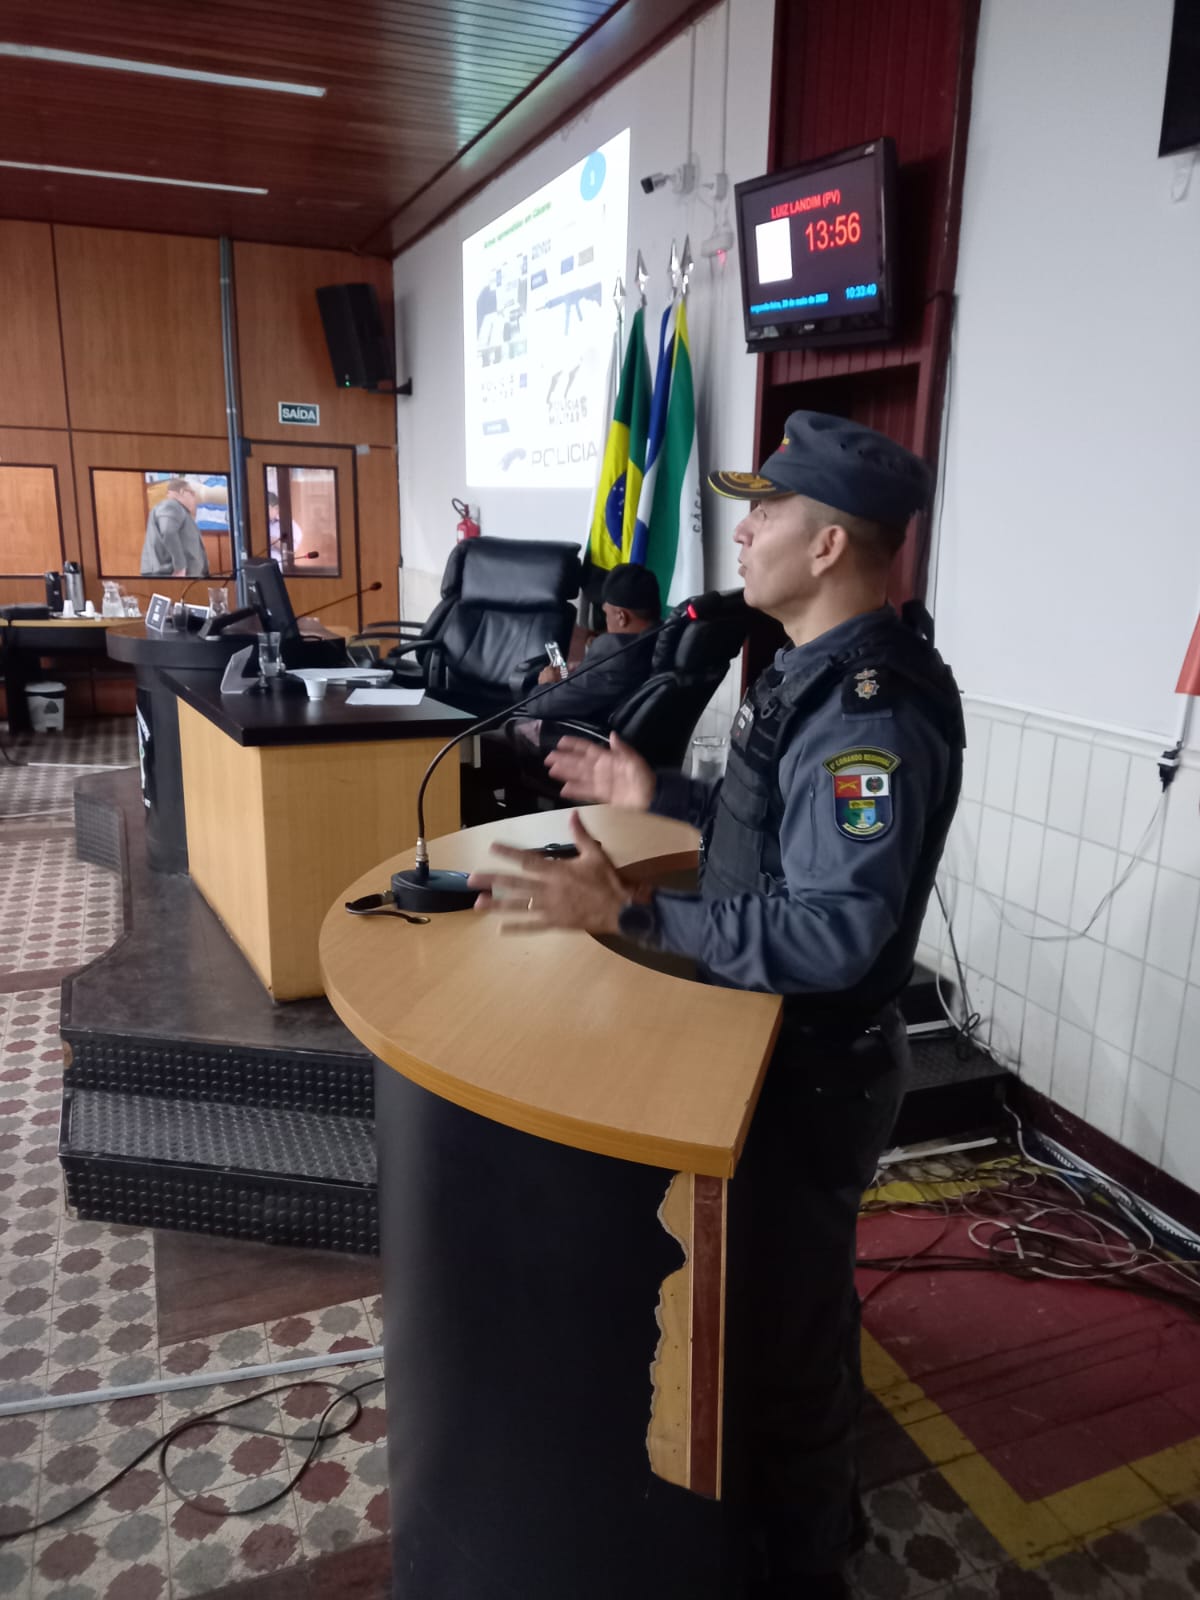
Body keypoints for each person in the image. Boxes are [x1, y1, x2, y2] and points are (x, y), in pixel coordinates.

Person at [467, 411, 965, 1598]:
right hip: (783, 1048)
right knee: (790, 1320)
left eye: (768, 511)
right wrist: (661, 794)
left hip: (815, 1066)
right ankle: (806, 1525)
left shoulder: (868, 712)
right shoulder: (815, 672)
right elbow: (772, 842)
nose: (744, 533)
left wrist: (634, 916)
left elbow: (835, 931)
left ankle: (802, 1568)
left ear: (829, 544)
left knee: (785, 1356)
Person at [139, 478, 210, 578]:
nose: (195, 500)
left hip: (185, 578)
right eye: (192, 494)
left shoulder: (181, 511)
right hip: (171, 576)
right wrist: (180, 566)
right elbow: (168, 532)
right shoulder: (172, 505)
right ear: (182, 492)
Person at [267, 491, 304, 563]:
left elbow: (290, 551)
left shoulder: (289, 525)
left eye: (266, 508)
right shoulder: (258, 524)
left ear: (276, 508)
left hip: (279, 566)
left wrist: (271, 540)